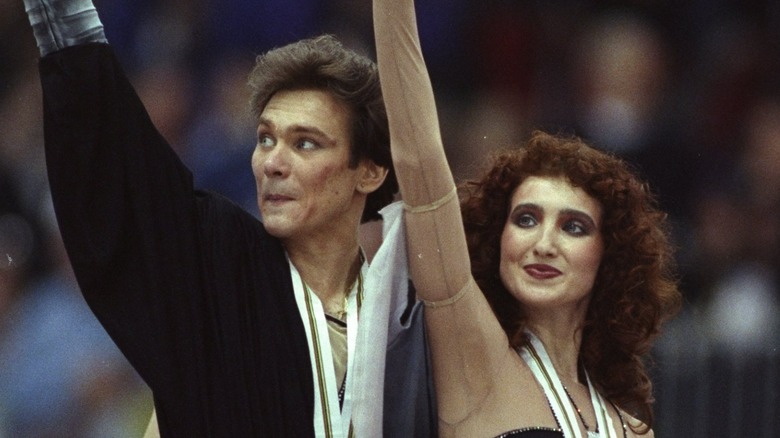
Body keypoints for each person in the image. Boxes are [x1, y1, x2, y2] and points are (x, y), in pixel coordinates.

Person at [22, 0, 436, 436]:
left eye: (306, 143)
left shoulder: (405, 324)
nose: (272, 162)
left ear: (369, 171)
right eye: (265, 139)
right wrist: (65, 18)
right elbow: (129, 186)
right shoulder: (221, 270)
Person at [372, 0, 681, 437]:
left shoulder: (633, 429)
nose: (544, 242)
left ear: (609, 254)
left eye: (573, 226)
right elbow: (417, 152)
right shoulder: (470, 354)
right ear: (497, 239)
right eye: (526, 219)